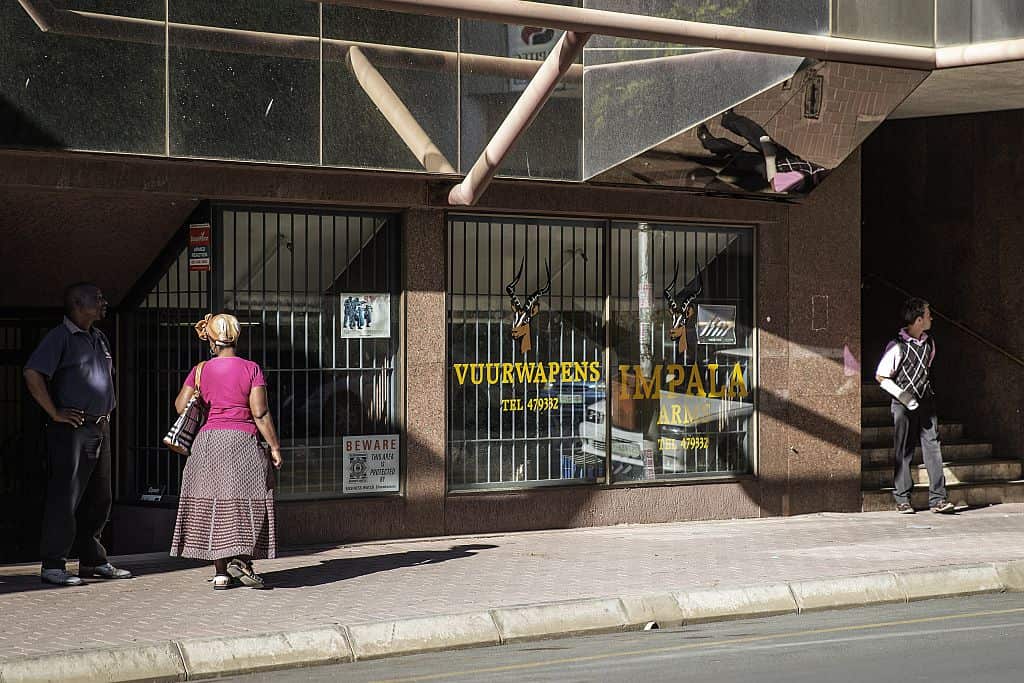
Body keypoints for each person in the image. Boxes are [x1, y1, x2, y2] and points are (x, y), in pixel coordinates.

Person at [23, 283, 132, 586]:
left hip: (100, 425)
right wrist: (54, 412)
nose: (104, 303)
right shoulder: (60, 338)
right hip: (72, 430)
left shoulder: (99, 337)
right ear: (77, 303)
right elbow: (32, 373)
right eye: (97, 299)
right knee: (66, 495)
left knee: (100, 496)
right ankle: (53, 564)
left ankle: (93, 561)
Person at [169, 313, 283, 589]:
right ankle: (241, 560)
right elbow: (260, 411)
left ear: (210, 338)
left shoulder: (200, 370)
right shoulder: (251, 369)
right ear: (236, 336)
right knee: (246, 502)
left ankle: (220, 572)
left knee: (214, 504)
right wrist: (276, 447)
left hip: (207, 443)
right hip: (241, 442)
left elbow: (179, 405)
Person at [875, 298, 955, 514]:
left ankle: (938, 498)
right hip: (903, 402)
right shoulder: (897, 346)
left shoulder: (930, 344)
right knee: (904, 449)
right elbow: (881, 376)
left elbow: (925, 369)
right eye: (928, 315)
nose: (931, 318)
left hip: (925, 401)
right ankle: (902, 498)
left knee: (933, 446)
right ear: (918, 320)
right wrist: (903, 396)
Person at [696, 109, 830, 194]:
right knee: (758, 134)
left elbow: (775, 183)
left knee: (738, 156)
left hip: (770, 168)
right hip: (791, 160)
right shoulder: (827, 174)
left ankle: (709, 142)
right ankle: (729, 118)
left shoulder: (802, 180)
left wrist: (769, 156)